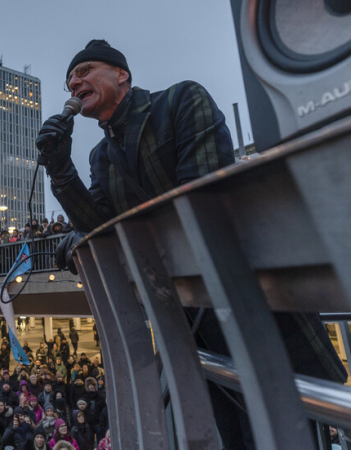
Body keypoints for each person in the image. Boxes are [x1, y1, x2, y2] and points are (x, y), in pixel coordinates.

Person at [41, 39, 347, 450]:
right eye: (69, 80)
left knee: (290, 427)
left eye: (84, 70)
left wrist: (129, 235)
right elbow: (100, 227)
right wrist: (62, 173)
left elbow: (200, 200)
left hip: (246, 305)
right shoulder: (100, 157)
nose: (74, 82)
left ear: (121, 74)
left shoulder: (181, 101)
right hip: (190, 328)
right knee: (235, 435)